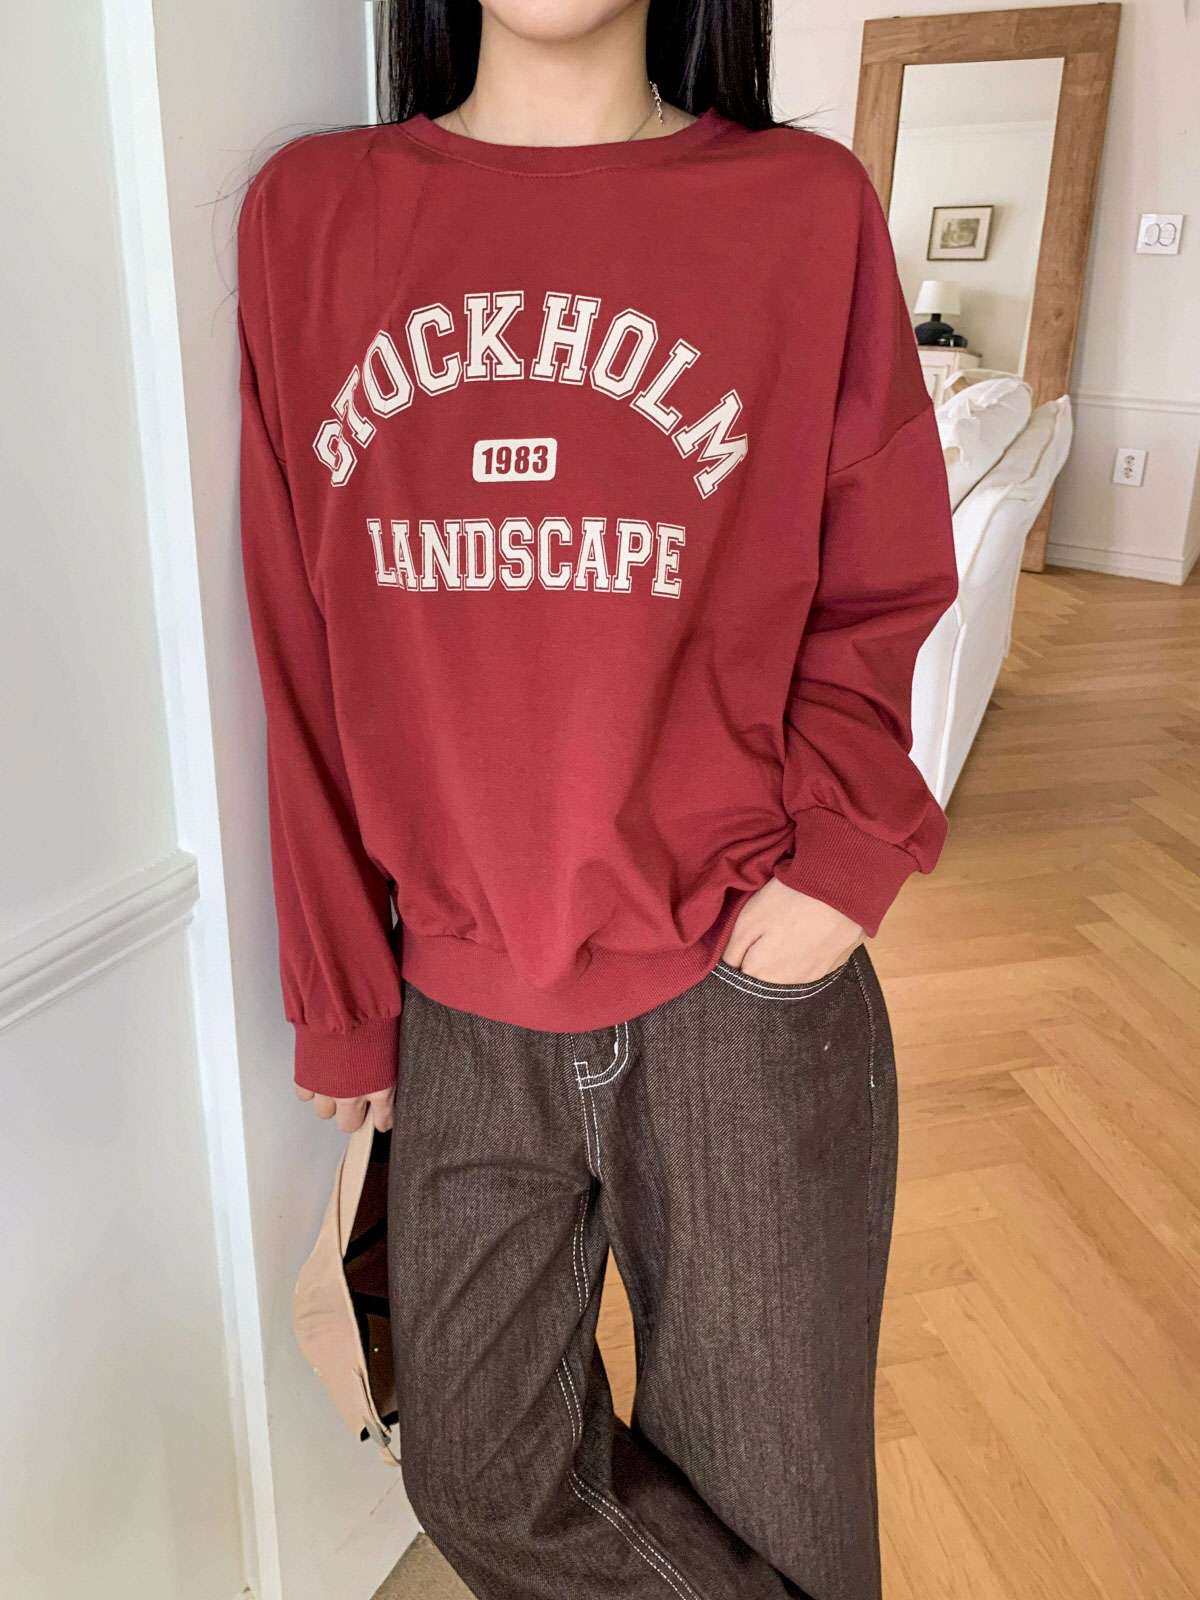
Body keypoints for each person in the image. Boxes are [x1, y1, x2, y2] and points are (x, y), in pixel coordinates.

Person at [235, 2, 958, 1595]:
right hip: (459, 1001)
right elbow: (294, 634)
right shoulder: (312, 216)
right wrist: (345, 994)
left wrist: (840, 861)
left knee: (779, 1517)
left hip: (739, 985)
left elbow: (880, 574)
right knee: (477, 1473)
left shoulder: (800, 210)